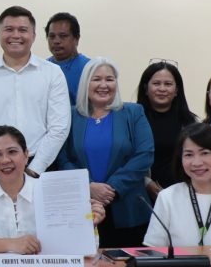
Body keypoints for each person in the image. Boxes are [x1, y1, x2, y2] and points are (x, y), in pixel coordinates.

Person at [0, 126, 106, 253]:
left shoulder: (51, 190)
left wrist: (87, 223)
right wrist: (13, 244)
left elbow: (82, 246)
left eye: (12, 152)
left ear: (26, 155)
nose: (5, 160)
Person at [57, 58, 155, 247]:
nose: (103, 85)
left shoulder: (133, 112)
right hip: (82, 209)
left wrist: (112, 188)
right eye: (96, 79)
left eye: (109, 79)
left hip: (128, 210)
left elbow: (145, 154)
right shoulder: (70, 115)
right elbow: (63, 159)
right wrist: (89, 186)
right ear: (86, 83)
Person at [0, 6, 70, 174]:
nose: (15, 35)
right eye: (9, 29)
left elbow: (59, 128)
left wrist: (36, 168)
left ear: (34, 36)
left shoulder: (52, 73)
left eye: (23, 30)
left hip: (41, 166)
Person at [136, 61, 198, 198]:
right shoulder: (133, 120)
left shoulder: (191, 122)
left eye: (168, 84)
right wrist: (146, 183)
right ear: (146, 88)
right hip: (142, 195)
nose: (162, 89)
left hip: (183, 193)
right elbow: (125, 159)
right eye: (156, 83)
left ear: (176, 90)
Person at [45, 12, 91, 107]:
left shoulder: (89, 68)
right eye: (52, 36)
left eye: (63, 36)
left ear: (76, 39)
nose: (56, 41)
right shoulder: (42, 68)